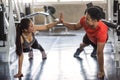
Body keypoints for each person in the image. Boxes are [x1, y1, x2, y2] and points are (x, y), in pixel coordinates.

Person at [59, 7, 108, 79]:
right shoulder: (84, 20)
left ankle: (95, 49)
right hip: (89, 36)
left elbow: (100, 53)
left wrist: (101, 71)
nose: (85, 20)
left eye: (87, 19)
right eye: (85, 17)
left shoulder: (102, 31)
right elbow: (75, 27)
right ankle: (80, 49)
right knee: (82, 44)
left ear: (94, 20)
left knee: (98, 50)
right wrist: (63, 23)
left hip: (97, 40)